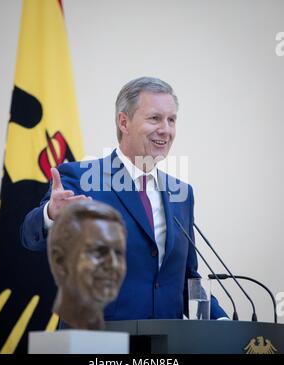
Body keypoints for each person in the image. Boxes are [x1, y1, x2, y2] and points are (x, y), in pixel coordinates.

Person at [21, 76, 228, 320]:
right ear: (124, 122)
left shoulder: (181, 193)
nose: (166, 129)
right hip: (101, 343)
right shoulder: (82, 178)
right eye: (155, 118)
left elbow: (185, 279)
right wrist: (50, 215)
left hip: (166, 345)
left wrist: (221, 321)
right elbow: (29, 237)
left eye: (171, 120)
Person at [47, 200, 126, 330]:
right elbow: (31, 228)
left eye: (118, 253)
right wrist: (49, 212)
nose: (114, 264)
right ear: (59, 261)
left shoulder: (169, 187)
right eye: (98, 252)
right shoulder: (81, 180)